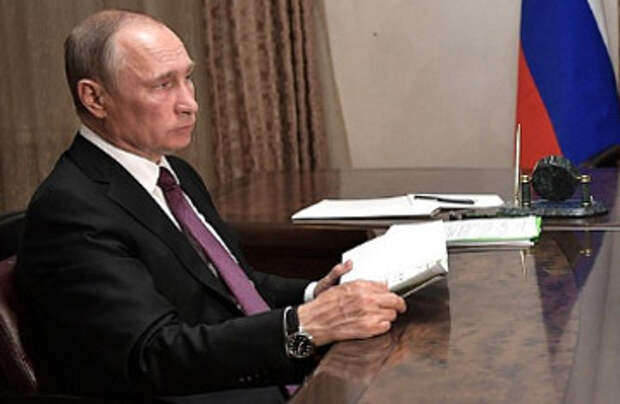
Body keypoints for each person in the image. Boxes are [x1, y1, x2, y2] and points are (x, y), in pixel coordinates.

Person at [16, 9, 406, 404]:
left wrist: (312, 294)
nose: (190, 104)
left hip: (242, 375)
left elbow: (230, 285)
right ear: (95, 98)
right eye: (162, 85)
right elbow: (153, 356)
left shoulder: (175, 173)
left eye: (187, 78)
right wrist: (300, 326)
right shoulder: (70, 208)